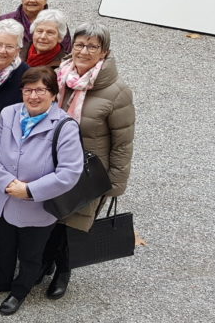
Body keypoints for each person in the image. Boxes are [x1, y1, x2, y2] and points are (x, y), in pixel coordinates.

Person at [0, 67, 83, 316]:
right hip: (3, 199)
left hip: (37, 206)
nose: (33, 96)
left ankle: (19, 291)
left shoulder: (65, 126)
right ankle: (2, 280)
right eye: (28, 90)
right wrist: (6, 183)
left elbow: (69, 173)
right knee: (3, 247)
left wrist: (29, 190)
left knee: (30, 254)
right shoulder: (9, 113)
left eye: (41, 90)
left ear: (54, 94)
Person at [41, 22, 135, 300]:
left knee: (75, 222)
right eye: (80, 44)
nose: (84, 51)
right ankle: (44, 262)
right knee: (50, 216)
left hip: (88, 170)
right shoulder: (59, 76)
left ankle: (63, 271)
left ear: (104, 52)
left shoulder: (117, 92)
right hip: (52, 162)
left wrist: (116, 183)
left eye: (92, 46)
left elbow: (123, 142)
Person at [0, 0, 72, 53]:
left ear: (45, 0)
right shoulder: (5, 19)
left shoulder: (57, 22)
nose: (32, 0)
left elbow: (66, 51)